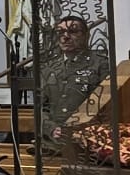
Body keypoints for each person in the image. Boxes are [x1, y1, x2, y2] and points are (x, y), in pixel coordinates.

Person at [39, 15, 115, 156]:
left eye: (73, 31)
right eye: (60, 32)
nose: (65, 37)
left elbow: (105, 106)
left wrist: (82, 129)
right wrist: (51, 129)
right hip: (52, 144)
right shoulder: (49, 68)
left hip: (87, 143)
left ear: (86, 35)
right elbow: (41, 107)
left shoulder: (100, 65)